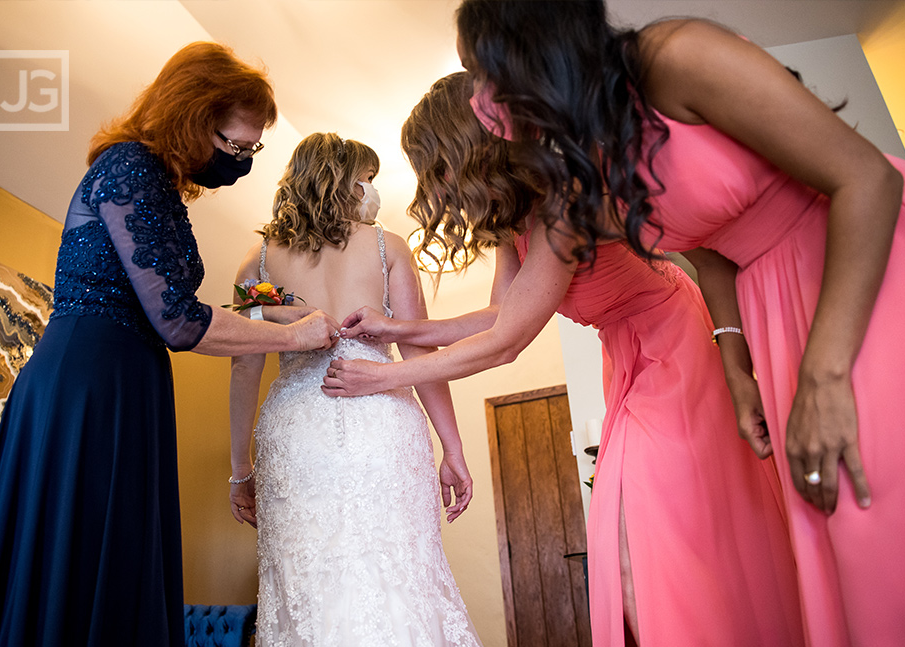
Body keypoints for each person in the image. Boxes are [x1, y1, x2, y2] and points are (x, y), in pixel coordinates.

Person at [435, 2, 905, 645]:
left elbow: (867, 178)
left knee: (880, 519)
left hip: (860, 264)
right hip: (768, 308)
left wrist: (825, 376)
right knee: (842, 541)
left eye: (481, 73)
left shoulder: (675, 56)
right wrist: (735, 356)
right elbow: (710, 248)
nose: (480, 101)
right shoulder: (592, 165)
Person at [329, 71, 804, 646]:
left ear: (468, 147)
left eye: (436, 164)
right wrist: (397, 327)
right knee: (632, 542)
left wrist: (385, 377)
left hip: (675, 346)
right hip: (628, 357)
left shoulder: (564, 204)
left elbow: (507, 343)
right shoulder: (513, 220)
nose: (437, 183)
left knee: (643, 535)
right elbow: (502, 315)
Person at [0, 42, 339, 646]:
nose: (242, 161)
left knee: (108, 554)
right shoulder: (129, 167)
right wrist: (293, 335)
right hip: (90, 381)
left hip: (122, 379)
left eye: (253, 150)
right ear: (194, 115)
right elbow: (180, 321)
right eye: (237, 146)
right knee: (79, 552)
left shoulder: (152, 181)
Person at [227, 132, 482, 646]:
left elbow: (244, 366)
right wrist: (453, 449)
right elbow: (418, 351)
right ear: (344, 180)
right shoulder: (387, 247)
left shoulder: (256, 264)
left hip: (296, 432)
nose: (372, 191)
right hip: (381, 423)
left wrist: (240, 471)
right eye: (367, 178)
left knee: (307, 578)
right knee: (397, 572)